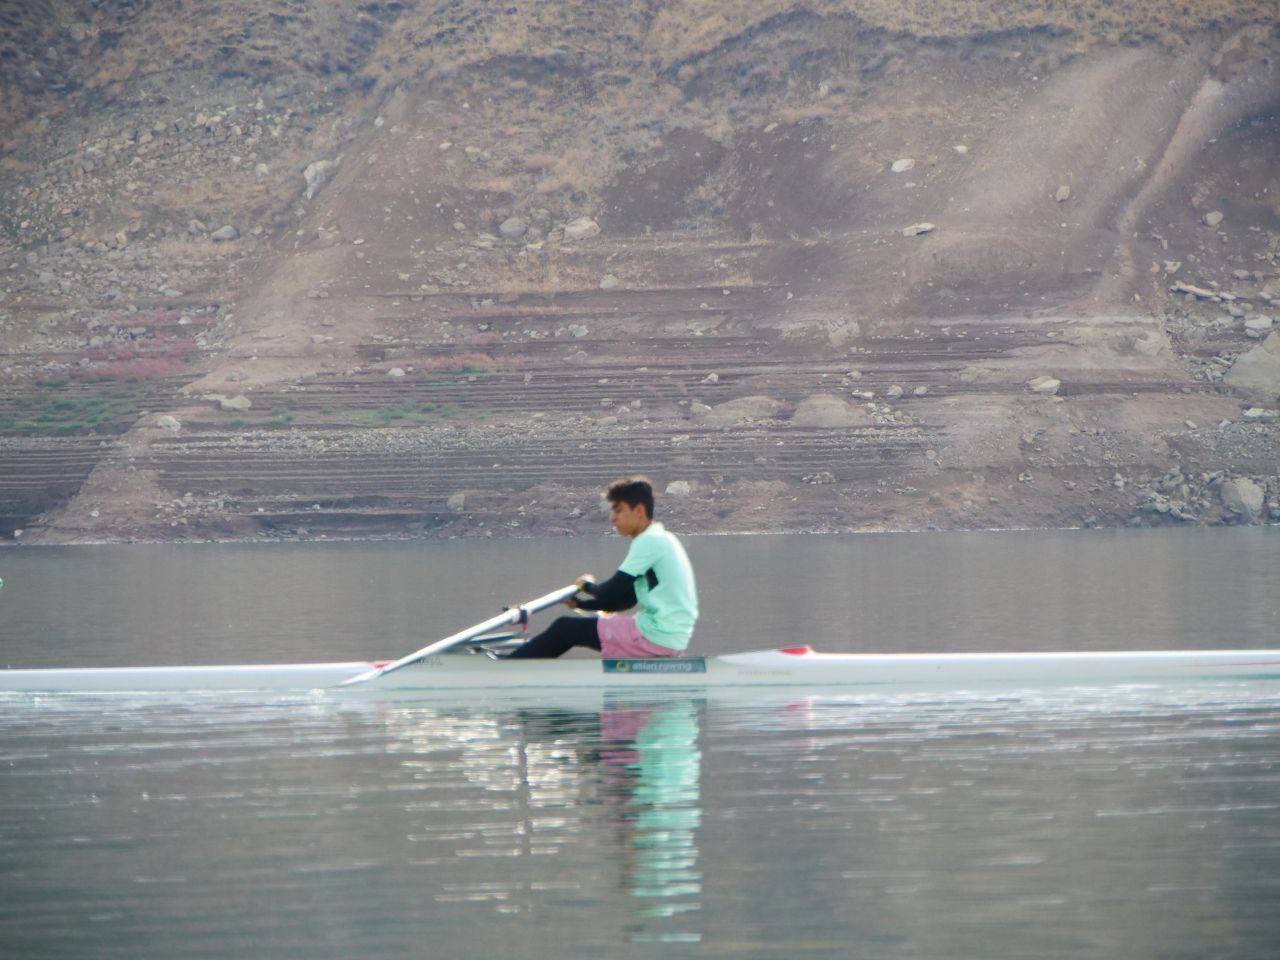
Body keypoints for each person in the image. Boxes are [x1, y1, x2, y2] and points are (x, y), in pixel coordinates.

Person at [502, 476, 698, 659]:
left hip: (656, 636)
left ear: (639, 511)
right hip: (670, 637)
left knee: (564, 628)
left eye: (618, 510)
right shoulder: (662, 538)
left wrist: (585, 586)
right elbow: (623, 600)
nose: (612, 518)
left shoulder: (649, 541)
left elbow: (611, 591)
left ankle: (508, 671)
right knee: (570, 628)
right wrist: (581, 604)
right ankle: (518, 666)